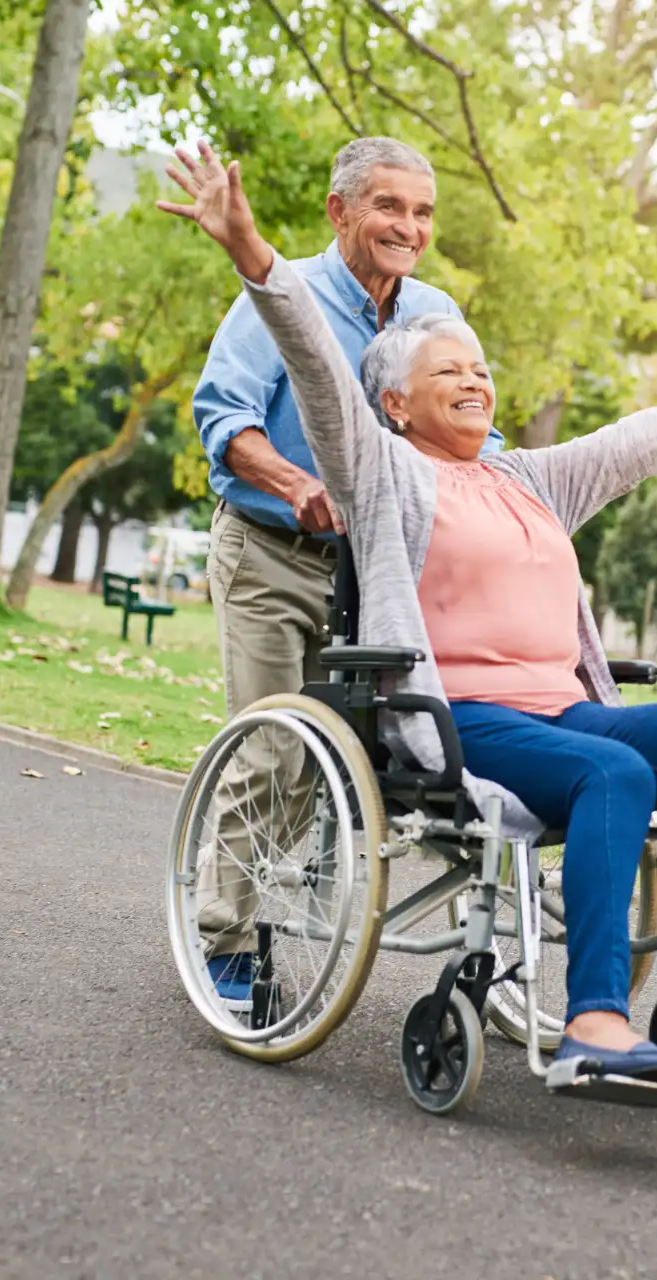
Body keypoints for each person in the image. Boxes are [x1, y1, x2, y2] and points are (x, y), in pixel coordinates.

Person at [161, 143, 657, 1083]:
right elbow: (310, 360)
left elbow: (638, 441)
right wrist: (254, 254)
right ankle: (595, 1023)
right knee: (614, 773)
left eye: (480, 369)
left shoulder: (528, 475)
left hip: (558, 706)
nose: (473, 382)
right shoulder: (384, 473)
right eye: (446, 373)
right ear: (392, 401)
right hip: (462, 719)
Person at [190, 137, 504, 978]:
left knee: (348, 759)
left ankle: (281, 891)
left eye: (423, 211)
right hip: (271, 552)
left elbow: (467, 421)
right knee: (273, 749)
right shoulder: (284, 293)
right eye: (389, 206)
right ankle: (222, 934)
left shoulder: (433, 310)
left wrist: (507, 500)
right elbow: (225, 420)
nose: (409, 226)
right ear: (341, 212)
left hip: (374, 574)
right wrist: (296, 482)